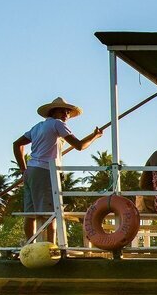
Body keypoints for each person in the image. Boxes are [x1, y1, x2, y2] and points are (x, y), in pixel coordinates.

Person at [13, 97, 103, 243]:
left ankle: (30, 246)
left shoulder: (38, 127)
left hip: (31, 171)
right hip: (45, 171)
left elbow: (17, 144)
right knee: (50, 212)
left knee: (30, 213)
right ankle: (50, 246)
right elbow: (79, 146)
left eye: (68, 112)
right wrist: (95, 136)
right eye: (63, 111)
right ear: (54, 112)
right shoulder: (58, 124)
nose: (66, 115)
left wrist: (24, 169)